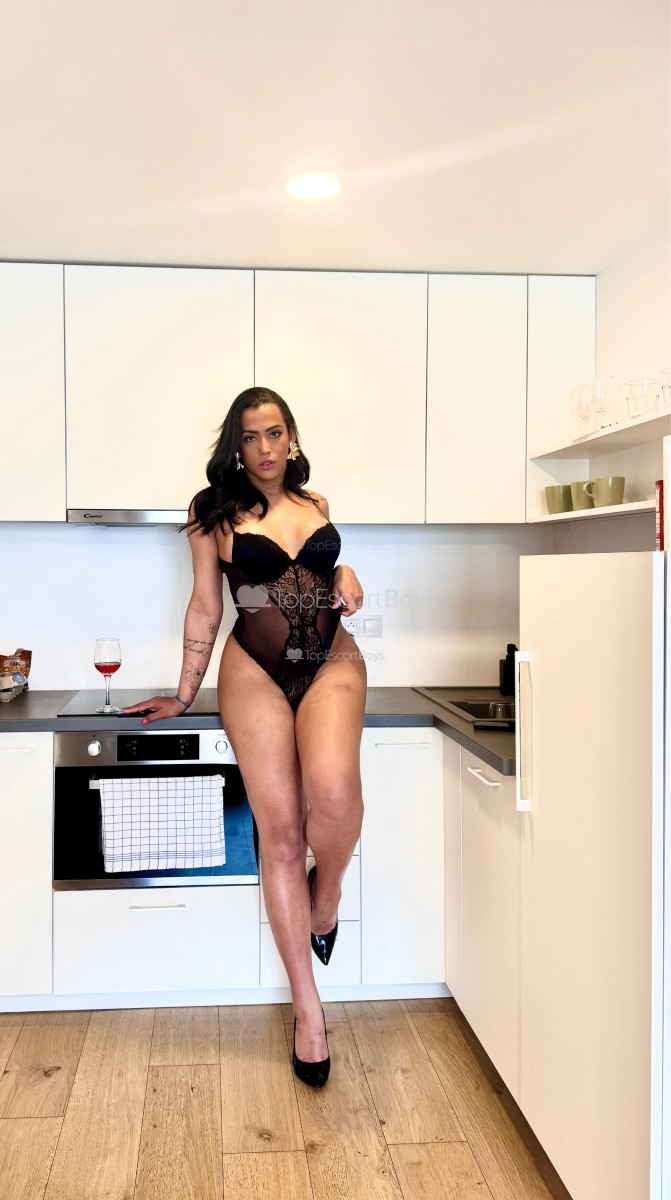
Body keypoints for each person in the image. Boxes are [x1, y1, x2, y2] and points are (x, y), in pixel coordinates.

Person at [121, 386, 367, 1087]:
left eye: (275, 433)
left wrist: (346, 573)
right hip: (254, 669)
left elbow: (322, 578)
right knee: (280, 833)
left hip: (331, 659)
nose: (264, 447)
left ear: (291, 438)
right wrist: (183, 693)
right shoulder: (213, 514)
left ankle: (327, 896)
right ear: (235, 445)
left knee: (333, 791)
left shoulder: (316, 503)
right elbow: (208, 605)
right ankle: (308, 1015)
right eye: (250, 436)